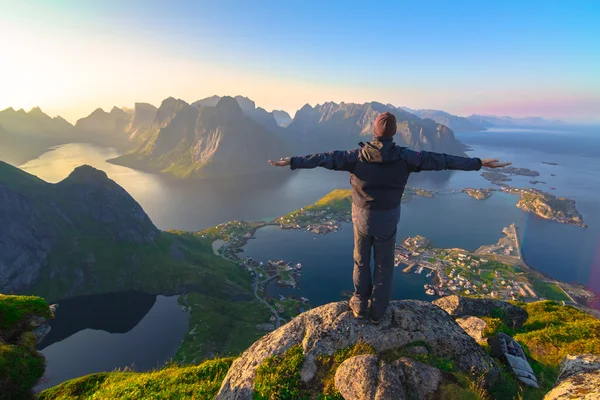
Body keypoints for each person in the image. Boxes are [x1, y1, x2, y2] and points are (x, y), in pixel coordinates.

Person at [268, 112, 510, 323]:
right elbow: (443, 161)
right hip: (388, 220)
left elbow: (323, 157)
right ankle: (378, 311)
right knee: (384, 265)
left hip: (361, 218)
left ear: (373, 132)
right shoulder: (407, 158)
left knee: (361, 261)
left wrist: (291, 161)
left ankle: (360, 304)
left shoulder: (355, 156)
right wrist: (478, 163)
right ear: (393, 133)